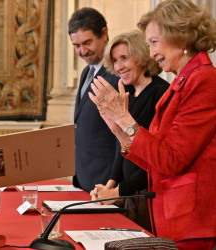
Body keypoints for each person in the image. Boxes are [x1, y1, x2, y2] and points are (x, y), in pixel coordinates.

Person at [88, 0, 216, 249]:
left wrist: (125, 119)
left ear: (180, 35)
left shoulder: (203, 80)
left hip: (190, 220)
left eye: (154, 42)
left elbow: (172, 160)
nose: (151, 52)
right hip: (169, 214)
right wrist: (117, 128)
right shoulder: (184, 80)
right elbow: (154, 159)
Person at [89, 30, 169, 231]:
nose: (118, 67)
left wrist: (118, 191)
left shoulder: (160, 93)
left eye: (124, 58)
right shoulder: (130, 95)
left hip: (149, 195)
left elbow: (154, 156)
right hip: (131, 195)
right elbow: (123, 147)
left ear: (141, 56)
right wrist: (110, 184)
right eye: (115, 61)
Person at [68, 7, 120, 192]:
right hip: (84, 178)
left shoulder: (118, 73)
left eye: (87, 42)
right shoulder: (86, 72)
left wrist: (113, 182)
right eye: (76, 46)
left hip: (105, 181)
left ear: (104, 34)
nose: (82, 51)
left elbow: (120, 135)